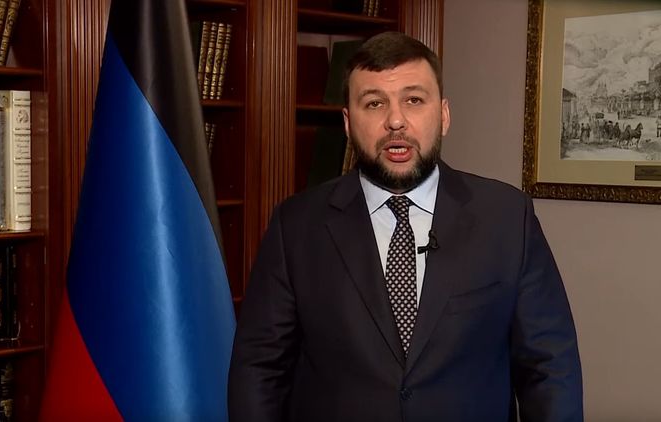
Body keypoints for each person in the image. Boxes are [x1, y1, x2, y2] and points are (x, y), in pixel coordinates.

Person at [228, 31, 582, 422]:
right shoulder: (295, 226)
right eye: (374, 103)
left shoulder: (507, 217)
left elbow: (550, 368)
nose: (395, 121)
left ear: (443, 115)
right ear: (347, 122)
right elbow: (259, 371)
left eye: (413, 100)